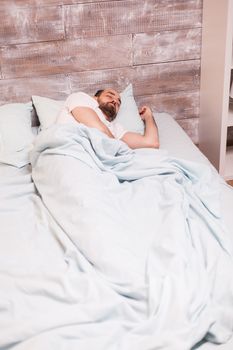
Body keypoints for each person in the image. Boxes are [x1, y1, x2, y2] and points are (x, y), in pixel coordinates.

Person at [56, 88, 159, 149]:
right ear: (95, 97)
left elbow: (152, 143)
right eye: (110, 96)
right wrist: (122, 152)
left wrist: (149, 116)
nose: (115, 101)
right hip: (70, 149)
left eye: (118, 103)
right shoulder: (81, 98)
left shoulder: (114, 128)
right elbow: (96, 128)